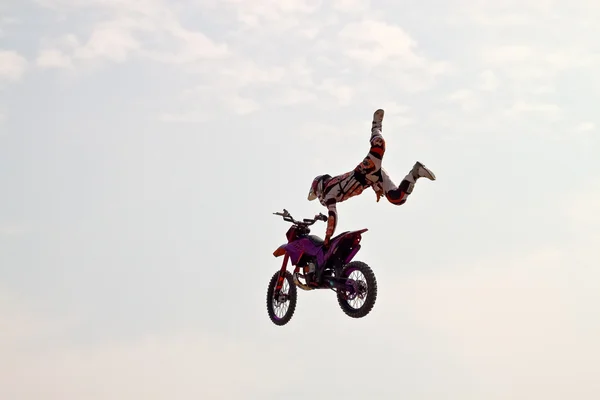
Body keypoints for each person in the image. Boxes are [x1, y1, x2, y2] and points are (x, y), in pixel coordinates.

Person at [307, 108, 436, 249]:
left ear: (319, 186)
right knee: (397, 198)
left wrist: (327, 237)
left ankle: (376, 126)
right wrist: (376, 188)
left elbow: (332, 215)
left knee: (379, 145)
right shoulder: (332, 188)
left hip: (363, 172)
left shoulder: (328, 191)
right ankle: (415, 173)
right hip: (370, 179)